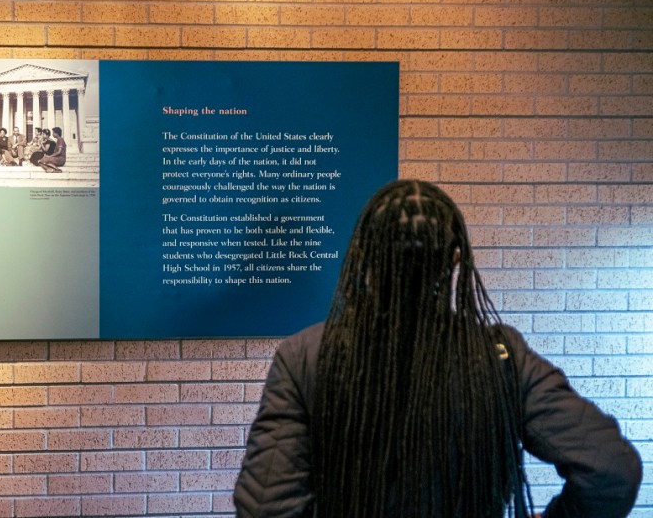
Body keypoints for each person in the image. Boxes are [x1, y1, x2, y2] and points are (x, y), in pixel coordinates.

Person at [234, 179, 641, 518]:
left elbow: (266, 506)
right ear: (456, 259)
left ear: (364, 256)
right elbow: (611, 469)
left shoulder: (305, 355)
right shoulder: (502, 357)